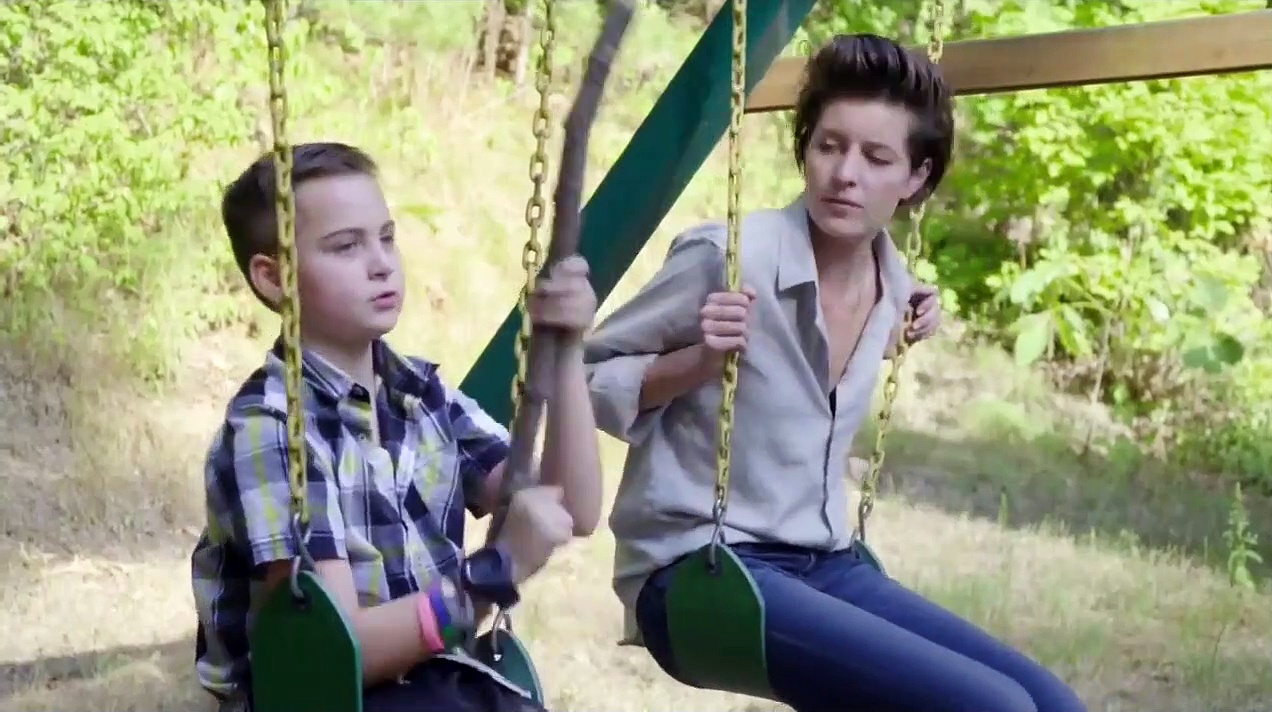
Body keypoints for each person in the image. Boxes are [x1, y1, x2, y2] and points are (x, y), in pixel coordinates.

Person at [583, 34, 1086, 712]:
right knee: (994, 708)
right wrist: (696, 363)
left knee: (1050, 703)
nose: (844, 173)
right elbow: (585, 378)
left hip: (824, 561)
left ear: (917, 178)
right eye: (829, 146)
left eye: (876, 157)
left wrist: (903, 323)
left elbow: (817, 369)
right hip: (702, 569)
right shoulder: (729, 259)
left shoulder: (893, 288)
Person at [191, 142, 604, 712]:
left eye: (386, 238)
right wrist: (495, 571)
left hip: (430, 683)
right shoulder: (273, 429)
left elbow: (570, 508)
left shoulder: (419, 394)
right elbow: (335, 654)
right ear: (274, 278)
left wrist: (568, 352)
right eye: (346, 246)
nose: (381, 263)